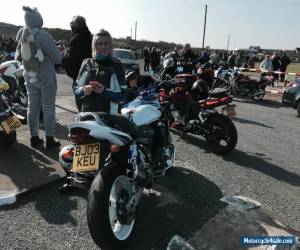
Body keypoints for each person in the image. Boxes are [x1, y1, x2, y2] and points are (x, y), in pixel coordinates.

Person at [15, 6, 62, 148]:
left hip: (29, 76)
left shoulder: (22, 34)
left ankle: (34, 137)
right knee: (48, 107)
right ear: (38, 20)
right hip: (45, 77)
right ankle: (50, 139)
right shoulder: (44, 36)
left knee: (32, 107)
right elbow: (57, 58)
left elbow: (19, 56)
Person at [73, 29, 127, 113]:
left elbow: (123, 95)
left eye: (106, 43)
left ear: (110, 46)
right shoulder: (87, 62)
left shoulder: (116, 64)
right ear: (95, 45)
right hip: (86, 114)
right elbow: (76, 88)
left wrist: (104, 91)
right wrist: (83, 90)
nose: (103, 46)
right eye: (100, 43)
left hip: (108, 117)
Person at [61, 15, 92, 112]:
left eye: (72, 24)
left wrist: (63, 62)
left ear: (77, 25)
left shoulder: (77, 38)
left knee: (82, 106)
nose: (71, 26)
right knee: (88, 104)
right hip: (90, 74)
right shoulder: (89, 36)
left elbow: (71, 58)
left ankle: (84, 123)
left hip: (80, 76)